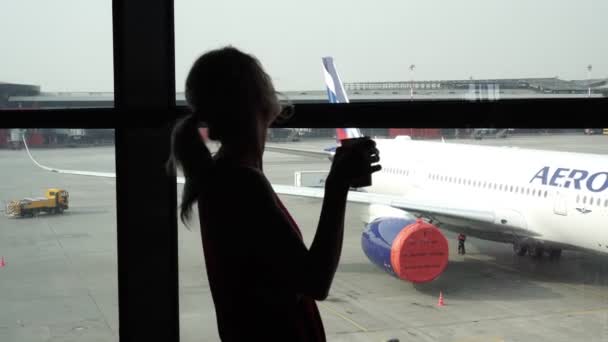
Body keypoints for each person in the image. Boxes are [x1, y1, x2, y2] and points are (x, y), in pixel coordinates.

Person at [167, 46, 381, 341]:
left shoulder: (222, 173)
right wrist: (338, 185)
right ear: (262, 102)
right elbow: (316, 281)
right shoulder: (242, 183)